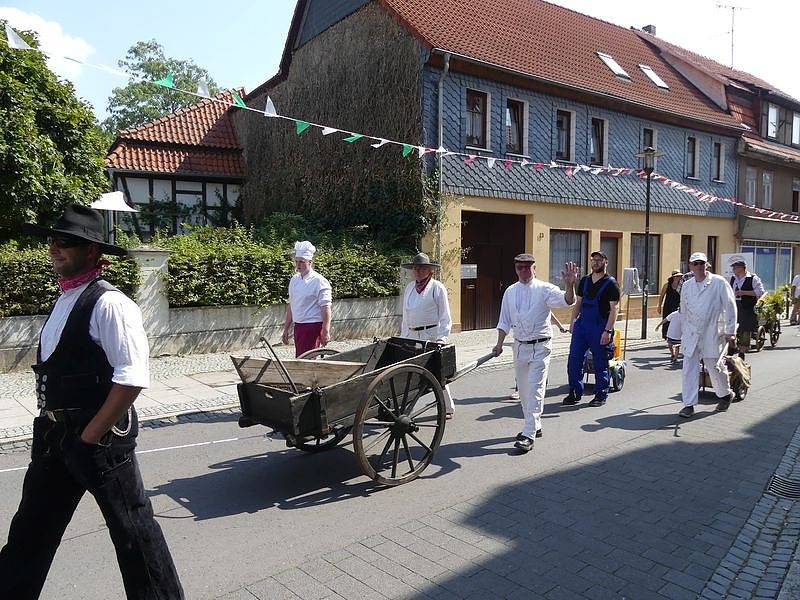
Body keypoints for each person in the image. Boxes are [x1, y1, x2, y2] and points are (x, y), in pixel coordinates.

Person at [0, 205, 184, 599]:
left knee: (134, 534)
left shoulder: (111, 304)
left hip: (98, 442)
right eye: (53, 240)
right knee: (29, 531)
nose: (55, 248)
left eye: (67, 242)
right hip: (54, 437)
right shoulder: (65, 299)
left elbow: (131, 378)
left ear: (93, 251)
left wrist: (88, 438)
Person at [492, 253, 578, 453]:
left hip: (541, 346)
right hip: (519, 347)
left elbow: (567, 301)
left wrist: (570, 285)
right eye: (520, 267)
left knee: (535, 389)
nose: (524, 270)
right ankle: (535, 424)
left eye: (527, 267)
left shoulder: (545, 289)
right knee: (523, 391)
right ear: (515, 269)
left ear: (534, 268)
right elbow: (504, 321)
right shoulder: (510, 292)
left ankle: (528, 434)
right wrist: (499, 344)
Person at [677, 251, 737, 418]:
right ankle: (688, 404)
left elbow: (730, 306)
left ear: (707, 265)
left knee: (714, 366)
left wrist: (730, 331)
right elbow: (684, 309)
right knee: (689, 368)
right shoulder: (687, 285)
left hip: (712, 331)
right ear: (690, 266)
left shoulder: (718, 282)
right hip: (691, 331)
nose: (699, 267)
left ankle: (725, 394)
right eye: (695, 264)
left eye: (701, 263)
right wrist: (683, 330)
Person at [400, 252, 455, 418]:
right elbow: (405, 315)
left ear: (430, 271)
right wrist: (403, 337)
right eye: (415, 268)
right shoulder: (410, 287)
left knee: (436, 372)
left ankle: (447, 407)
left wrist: (441, 338)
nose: (417, 271)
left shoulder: (437, 287)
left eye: (422, 268)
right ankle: (405, 408)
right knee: (410, 372)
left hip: (430, 335)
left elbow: (445, 316)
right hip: (411, 334)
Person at [563, 251, 621, 407]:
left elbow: (614, 308)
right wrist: (573, 322)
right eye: (593, 260)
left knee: (600, 363)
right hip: (582, 326)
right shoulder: (585, 281)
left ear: (605, 262)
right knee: (574, 360)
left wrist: (608, 331)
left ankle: (601, 394)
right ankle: (575, 391)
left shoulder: (611, 284)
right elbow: (578, 302)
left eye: (599, 260)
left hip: (600, 327)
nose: (595, 263)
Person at [282, 240, 332, 357]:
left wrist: (326, 330)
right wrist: (286, 329)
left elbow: (326, 307)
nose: (298, 265)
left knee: (307, 360)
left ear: (310, 262)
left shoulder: (319, 281)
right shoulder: (294, 280)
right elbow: (292, 305)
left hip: (312, 327)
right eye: (297, 261)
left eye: (302, 262)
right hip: (298, 327)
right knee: (300, 358)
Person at [509, 314, 568, 400]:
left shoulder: (541, 302)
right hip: (524, 339)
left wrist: (560, 326)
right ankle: (520, 389)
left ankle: (539, 388)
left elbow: (549, 313)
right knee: (523, 366)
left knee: (539, 367)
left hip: (541, 340)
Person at [729, 259, 765, 357]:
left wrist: (743, 292)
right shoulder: (733, 278)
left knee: (745, 328)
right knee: (732, 327)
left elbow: (760, 292)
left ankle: (742, 351)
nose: (733, 269)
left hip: (747, 306)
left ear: (741, 268)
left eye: (735, 268)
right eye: (733, 268)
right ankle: (731, 348)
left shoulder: (753, 278)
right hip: (735, 305)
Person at [657, 269, 683, 342]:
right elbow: (661, 296)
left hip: (677, 306)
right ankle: (666, 336)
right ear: (674, 277)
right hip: (668, 305)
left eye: (680, 276)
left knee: (676, 322)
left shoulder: (682, 285)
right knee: (667, 321)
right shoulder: (667, 285)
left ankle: (675, 336)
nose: (679, 278)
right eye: (677, 276)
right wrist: (659, 306)